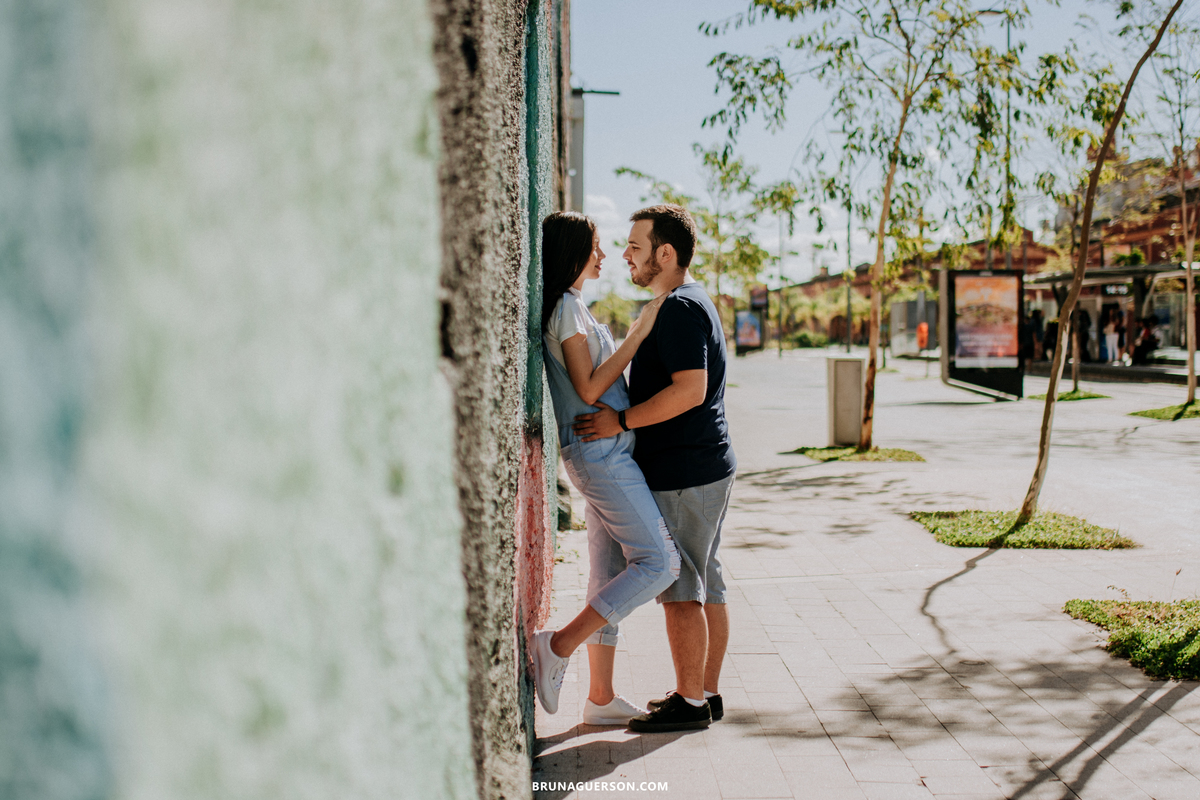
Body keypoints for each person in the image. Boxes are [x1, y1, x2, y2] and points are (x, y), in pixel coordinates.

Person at [574, 204, 737, 733]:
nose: (625, 255)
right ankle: (705, 694)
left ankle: (689, 703)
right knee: (704, 580)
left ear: (666, 254)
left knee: (682, 585)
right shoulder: (688, 300)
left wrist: (620, 421)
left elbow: (689, 391)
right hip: (703, 466)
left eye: (636, 246)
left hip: (686, 472)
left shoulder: (679, 309)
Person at [531, 211, 680, 727]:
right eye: (595, 246)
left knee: (607, 573)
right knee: (661, 563)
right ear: (573, 251)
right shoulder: (567, 310)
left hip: (603, 455)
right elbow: (590, 388)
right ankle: (558, 645)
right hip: (600, 457)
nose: (604, 255)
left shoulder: (574, 307)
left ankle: (599, 699)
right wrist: (637, 335)